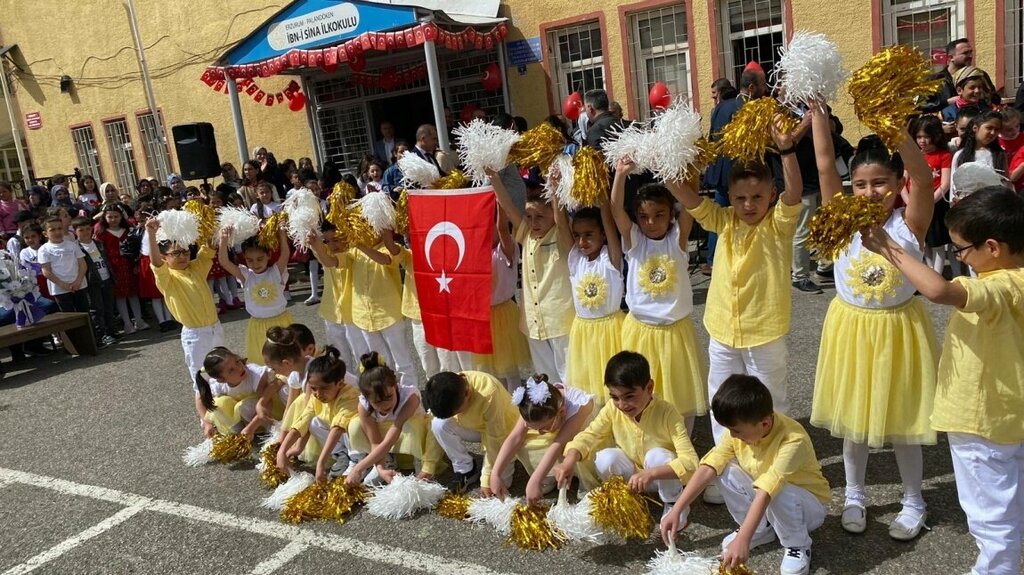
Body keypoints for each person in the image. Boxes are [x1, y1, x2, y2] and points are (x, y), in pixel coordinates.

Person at [861, 186, 1024, 575]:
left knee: (990, 517)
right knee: (1007, 502)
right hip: (1007, 415)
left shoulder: (999, 286)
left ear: (993, 247)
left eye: (962, 250)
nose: (958, 258)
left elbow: (937, 289)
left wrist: (888, 247)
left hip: (980, 419)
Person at [809, 102, 938, 541]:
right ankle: (854, 495)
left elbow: (924, 178)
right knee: (854, 422)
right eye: (860, 184)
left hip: (899, 332)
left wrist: (896, 128)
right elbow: (826, 168)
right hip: (853, 331)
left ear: (897, 184)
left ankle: (914, 500)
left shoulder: (911, 224)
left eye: (880, 182)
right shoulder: (842, 224)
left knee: (904, 424)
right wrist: (819, 118)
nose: (869, 192)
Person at [667, 116, 803, 449]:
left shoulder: (778, 224)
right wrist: (665, 161)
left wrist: (786, 150)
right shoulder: (723, 220)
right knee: (722, 398)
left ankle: (774, 461)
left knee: (770, 400)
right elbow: (688, 199)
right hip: (722, 329)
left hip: (764, 332)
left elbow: (795, 191)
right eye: (740, 198)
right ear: (729, 196)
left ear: (771, 194)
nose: (748, 205)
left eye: (757, 197)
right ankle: (727, 463)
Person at [660, 375, 830, 575]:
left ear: (765, 424)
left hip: (808, 507)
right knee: (724, 469)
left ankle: (798, 544)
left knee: (779, 490)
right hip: (767, 497)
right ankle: (760, 530)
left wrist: (743, 540)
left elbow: (767, 490)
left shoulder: (793, 440)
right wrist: (678, 508)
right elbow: (709, 467)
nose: (732, 436)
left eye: (736, 431)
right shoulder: (745, 426)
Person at [610, 160, 706, 430]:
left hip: (675, 332)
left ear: (671, 216)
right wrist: (620, 174)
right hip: (641, 331)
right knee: (639, 391)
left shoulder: (678, 239)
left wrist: (691, 169)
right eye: (643, 217)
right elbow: (616, 208)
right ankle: (646, 439)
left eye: (659, 215)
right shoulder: (634, 241)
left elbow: (691, 203)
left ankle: (681, 443)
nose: (651, 223)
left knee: (679, 394)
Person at [556, 351, 699, 527]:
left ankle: (674, 502)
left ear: (649, 387)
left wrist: (652, 473)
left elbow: (691, 461)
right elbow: (589, 435)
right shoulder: (612, 409)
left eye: (629, 396)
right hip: (633, 477)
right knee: (606, 458)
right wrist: (569, 460)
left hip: (660, 477)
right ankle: (628, 498)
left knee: (657, 456)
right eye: (615, 397)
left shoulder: (668, 413)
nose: (622, 405)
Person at [491, 171, 574, 384]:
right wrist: (495, 179)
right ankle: (554, 417)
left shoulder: (561, 235)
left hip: (561, 321)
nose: (533, 222)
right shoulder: (526, 235)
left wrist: (555, 190)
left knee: (570, 379)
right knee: (547, 381)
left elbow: (560, 218)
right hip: (533, 323)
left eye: (540, 216)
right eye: (529, 217)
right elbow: (508, 206)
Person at [146, 217, 225, 424]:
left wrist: (208, 224)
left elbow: (208, 249)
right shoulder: (167, 277)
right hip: (195, 334)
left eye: (185, 251)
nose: (182, 257)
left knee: (222, 371)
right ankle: (207, 423)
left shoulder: (195, 267)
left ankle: (224, 414)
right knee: (201, 378)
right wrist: (152, 235)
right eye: (175, 253)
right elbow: (154, 263)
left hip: (215, 328)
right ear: (165, 257)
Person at [554, 191, 622, 407]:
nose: (582, 241)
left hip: (611, 330)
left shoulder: (610, 258)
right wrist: (556, 192)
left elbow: (610, 224)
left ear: (602, 234)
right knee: (587, 382)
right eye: (577, 235)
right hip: (583, 332)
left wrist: (603, 199)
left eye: (589, 234)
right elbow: (561, 223)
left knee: (613, 381)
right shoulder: (576, 259)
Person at [490, 375, 595, 505]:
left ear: (561, 413)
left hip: (580, 439)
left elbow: (558, 444)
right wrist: (495, 473)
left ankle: (582, 477)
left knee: (572, 448)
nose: (539, 433)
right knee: (524, 444)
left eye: (543, 428)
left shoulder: (580, 405)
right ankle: (551, 475)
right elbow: (514, 437)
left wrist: (535, 480)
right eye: (533, 428)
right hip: (559, 437)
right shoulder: (532, 406)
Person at [345, 352, 443, 486]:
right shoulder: (364, 405)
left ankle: (420, 461)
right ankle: (388, 461)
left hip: (413, 437)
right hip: (387, 444)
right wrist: (381, 469)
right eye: (377, 402)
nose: (385, 405)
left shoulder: (410, 397)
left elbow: (394, 433)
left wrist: (358, 469)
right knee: (355, 425)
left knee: (411, 425)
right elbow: (375, 442)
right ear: (367, 398)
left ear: (395, 386)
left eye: (388, 397)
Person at [703, 68, 764, 275]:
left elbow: (712, 138)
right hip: (738, 174)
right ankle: (738, 257)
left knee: (718, 217)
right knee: (742, 215)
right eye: (763, 84)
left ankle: (712, 259)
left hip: (720, 171)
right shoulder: (747, 108)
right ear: (752, 87)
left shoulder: (720, 107)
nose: (765, 89)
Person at [425, 369, 519, 493]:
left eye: (458, 411)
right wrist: (428, 467)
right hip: (476, 428)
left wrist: (486, 479)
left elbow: (495, 440)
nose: (458, 414)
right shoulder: (446, 390)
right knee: (438, 423)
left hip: (505, 432)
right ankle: (465, 469)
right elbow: (434, 429)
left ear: (467, 393)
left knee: (498, 486)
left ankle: (510, 457)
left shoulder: (488, 393)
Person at [278, 346, 361, 480]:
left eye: (324, 388)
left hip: (362, 440)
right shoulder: (316, 398)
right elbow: (302, 422)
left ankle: (359, 460)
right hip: (341, 435)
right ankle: (341, 455)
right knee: (313, 422)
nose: (318, 394)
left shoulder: (350, 396)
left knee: (354, 425)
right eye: (314, 388)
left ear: (340, 383)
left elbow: (337, 429)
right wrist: (282, 452)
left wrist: (320, 464)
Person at [471, 207, 531, 391]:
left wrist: (499, 207)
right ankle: (502, 403)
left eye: (491, 228)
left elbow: (503, 230)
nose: (487, 233)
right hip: (484, 317)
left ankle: (515, 402)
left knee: (509, 367)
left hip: (505, 315)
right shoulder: (476, 253)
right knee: (493, 369)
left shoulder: (505, 250)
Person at [217, 228, 292, 365]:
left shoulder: (276, 272)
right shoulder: (245, 276)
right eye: (250, 260)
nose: (255, 264)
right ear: (244, 258)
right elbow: (224, 261)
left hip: (281, 322)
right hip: (258, 325)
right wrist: (223, 239)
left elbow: (285, 254)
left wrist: (281, 234)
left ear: (269, 255)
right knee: (263, 360)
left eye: (260, 259)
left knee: (286, 358)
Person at [307, 223, 366, 371]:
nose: (332, 245)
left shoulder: (354, 254)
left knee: (361, 354)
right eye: (327, 241)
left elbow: (328, 261)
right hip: (332, 312)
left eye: (336, 239)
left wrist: (319, 247)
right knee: (340, 358)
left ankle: (363, 388)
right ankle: (346, 388)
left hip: (354, 313)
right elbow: (316, 247)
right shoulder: (324, 251)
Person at [193, 347, 277, 439]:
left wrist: (251, 427)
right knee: (218, 403)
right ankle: (238, 430)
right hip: (245, 415)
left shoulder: (255, 374)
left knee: (243, 406)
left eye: (237, 362)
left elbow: (267, 403)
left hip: (266, 411)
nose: (239, 368)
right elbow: (200, 397)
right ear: (222, 379)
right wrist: (207, 423)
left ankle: (264, 428)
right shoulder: (218, 384)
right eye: (231, 370)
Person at [911, 115, 956, 275]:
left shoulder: (943, 155)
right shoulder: (914, 154)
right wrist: (909, 201)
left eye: (926, 137)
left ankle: (936, 275)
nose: (922, 141)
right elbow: (904, 179)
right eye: (919, 137)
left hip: (935, 206)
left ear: (935, 136)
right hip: (915, 205)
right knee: (923, 242)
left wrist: (929, 201)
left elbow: (945, 184)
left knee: (937, 243)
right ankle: (930, 271)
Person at [73, 217, 118, 346]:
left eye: (88, 229)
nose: (86, 232)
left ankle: (111, 330)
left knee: (108, 306)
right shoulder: (77, 247)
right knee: (96, 309)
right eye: (81, 230)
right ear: (75, 232)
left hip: (106, 277)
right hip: (92, 281)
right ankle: (101, 335)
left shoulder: (98, 243)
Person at [922, 38, 999, 114]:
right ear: (951, 57)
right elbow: (920, 107)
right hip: (947, 123)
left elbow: (995, 99)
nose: (970, 56)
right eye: (965, 53)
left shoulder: (981, 75)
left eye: (971, 52)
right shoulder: (935, 80)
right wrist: (946, 102)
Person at [951, 110, 1008, 202]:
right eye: (989, 128)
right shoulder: (960, 155)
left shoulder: (999, 155)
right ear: (975, 128)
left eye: (997, 129)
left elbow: (1006, 183)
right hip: (968, 206)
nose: (993, 133)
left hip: (994, 206)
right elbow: (954, 184)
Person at [38, 216, 89, 313]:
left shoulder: (72, 245)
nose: (57, 232)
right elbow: (46, 271)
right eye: (52, 230)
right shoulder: (44, 250)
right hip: (60, 289)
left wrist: (78, 281)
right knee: (69, 316)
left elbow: (82, 264)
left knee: (84, 313)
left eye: (59, 228)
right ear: (45, 233)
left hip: (79, 285)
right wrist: (62, 284)